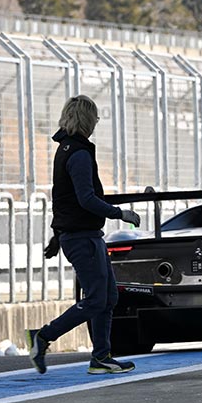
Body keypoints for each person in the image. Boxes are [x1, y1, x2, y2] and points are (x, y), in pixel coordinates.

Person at [27, 96, 142, 375]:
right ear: (87, 120)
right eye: (95, 120)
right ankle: (44, 337)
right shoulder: (78, 153)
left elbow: (61, 198)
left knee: (108, 296)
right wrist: (120, 214)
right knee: (95, 299)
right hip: (82, 237)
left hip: (83, 234)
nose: (95, 125)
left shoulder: (66, 149)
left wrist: (57, 236)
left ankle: (101, 356)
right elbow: (85, 199)